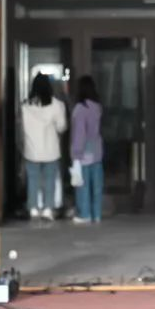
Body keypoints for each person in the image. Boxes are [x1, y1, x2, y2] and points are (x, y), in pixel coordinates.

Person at [21, 73, 67, 221]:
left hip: (31, 150)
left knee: (33, 180)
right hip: (51, 150)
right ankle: (48, 208)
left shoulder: (25, 106)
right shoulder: (57, 105)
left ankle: (33, 208)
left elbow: (21, 127)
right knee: (50, 180)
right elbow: (61, 127)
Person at [70, 76, 104, 225]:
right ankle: (97, 214)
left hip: (84, 151)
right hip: (97, 150)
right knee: (96, 186)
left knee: (83, 185)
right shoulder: (97, 107)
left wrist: (76, 154)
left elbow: (79, 134)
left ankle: (85, 214)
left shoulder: (80, 109)